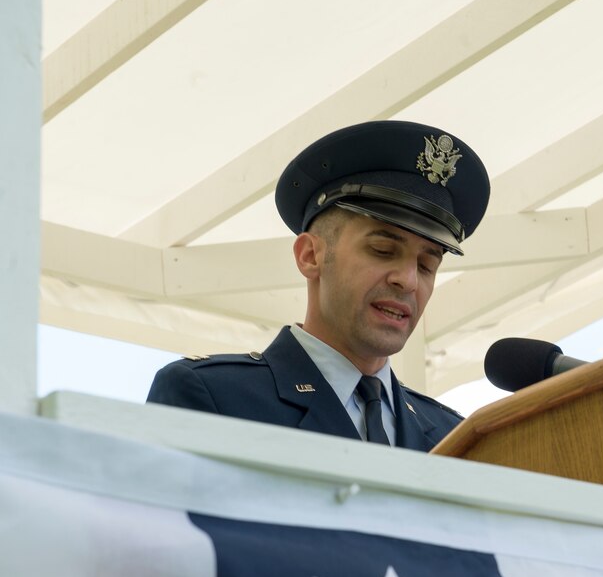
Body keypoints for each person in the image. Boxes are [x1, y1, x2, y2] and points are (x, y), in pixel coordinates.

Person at [147, 120, 490, 451]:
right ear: (310, 255)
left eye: (427, 265)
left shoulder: (453, 437)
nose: (409, 280)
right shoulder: (215, 397)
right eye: (383, 250)